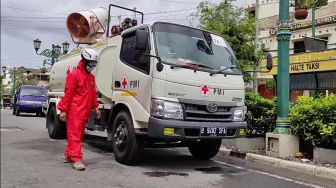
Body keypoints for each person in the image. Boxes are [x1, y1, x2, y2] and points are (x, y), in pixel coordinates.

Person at [57, 48, 101, 171]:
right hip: (75, 111)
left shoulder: (91, 77)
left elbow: (92, 94)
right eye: (91, 64)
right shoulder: (74, 75)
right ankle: (76, 159)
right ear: (84, 61)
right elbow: (68, 94)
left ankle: (68, 154)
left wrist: (96, 107)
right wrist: (63, 110)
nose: (92, 66)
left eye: (94, 64)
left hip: (84, 112)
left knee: (77, 134)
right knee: (75, 134)